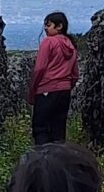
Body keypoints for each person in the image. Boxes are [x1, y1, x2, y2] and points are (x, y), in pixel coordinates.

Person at [27, 10, 77, 144]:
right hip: (64, 91)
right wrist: (67, 86)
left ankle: (41, 160)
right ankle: (59, 160)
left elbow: (39, 68)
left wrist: (33, 90)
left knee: (41, 128)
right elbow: (75, 73)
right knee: (58, 130)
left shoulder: (48, 42)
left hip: (46, 90)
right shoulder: (71, 45)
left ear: (59, 26)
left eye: (48, 25)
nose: (45, 28)